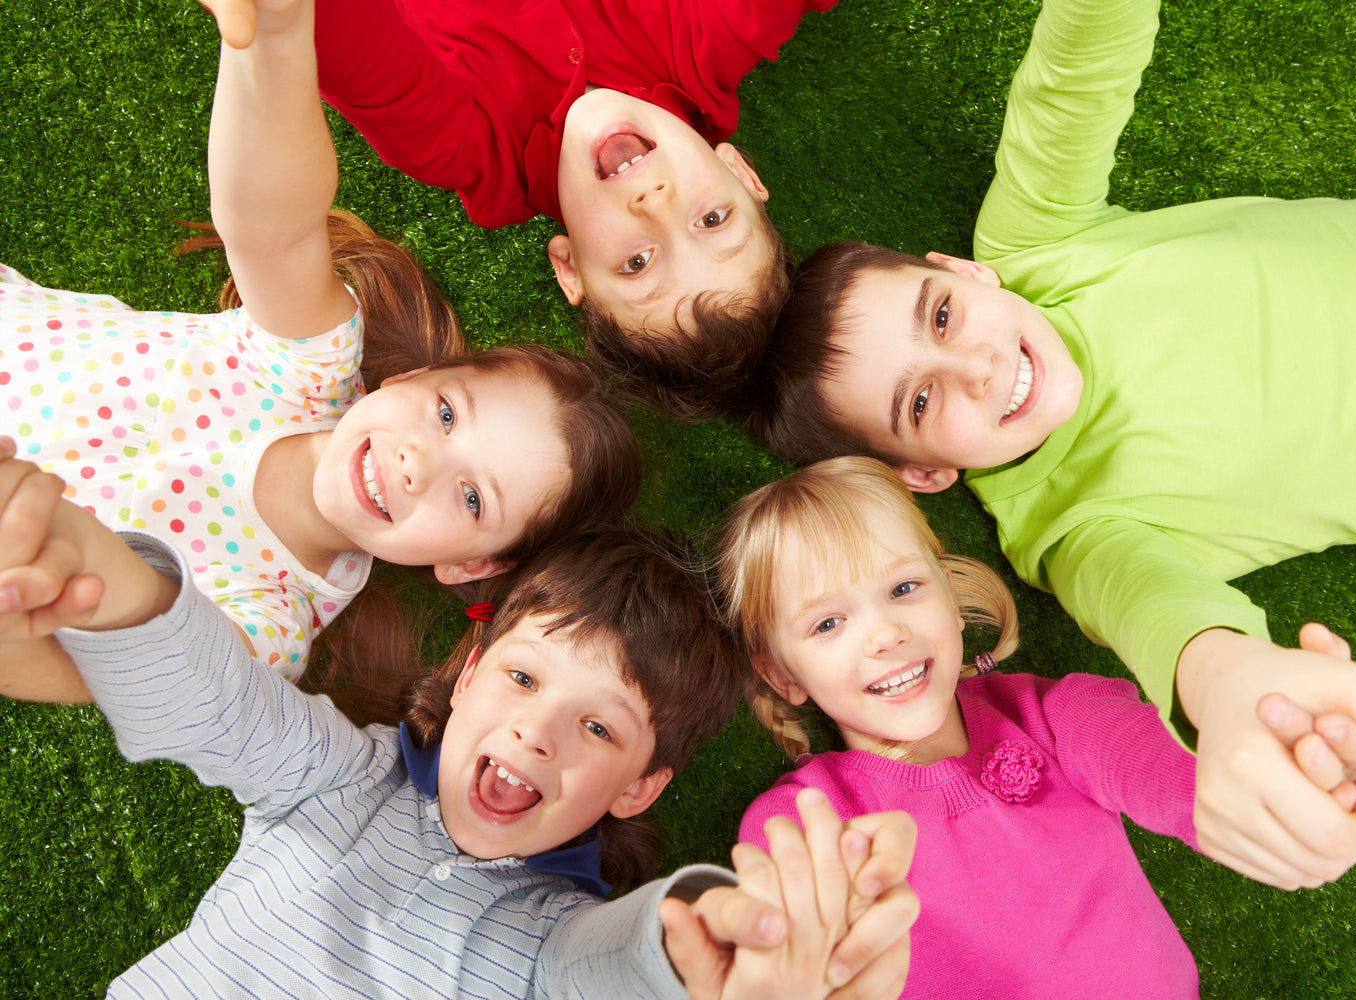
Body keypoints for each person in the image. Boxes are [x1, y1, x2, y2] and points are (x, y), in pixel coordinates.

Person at [744, 0, 1356, 887]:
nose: (978, 366)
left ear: (959, 271)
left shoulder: (1036, 242)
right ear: (926, 472)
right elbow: (1164, 617)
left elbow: (1079, 72)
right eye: (921, 399)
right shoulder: (1070, 530)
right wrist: (1229, 687)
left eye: (941, 315)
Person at [0, 444, 918, 1000]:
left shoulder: (555, 936)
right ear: (470, 673)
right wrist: (85, 560)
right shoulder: (339, 776)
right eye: (523, 677)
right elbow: (217, 700)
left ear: (639, 787)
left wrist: (700, 945)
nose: (537, 733)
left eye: (601, 730)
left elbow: (608, 972)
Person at [0, 0, 639, 701]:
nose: (417, 463)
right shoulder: (308, 368)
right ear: (419, 377)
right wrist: (273, 38)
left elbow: (138, 667)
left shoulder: (272, 621)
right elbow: (274, 229)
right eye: (448, 416)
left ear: (469, 565)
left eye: (471, 497)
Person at [715, 457, 1356, 998]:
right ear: (783, 676)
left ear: (949, 594)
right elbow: (794, 943)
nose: (886, 633)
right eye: (828, 624)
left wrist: (1282, 757)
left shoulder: (1047, 717)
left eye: (903, 589)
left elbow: (1179, 773)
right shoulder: (805, 818)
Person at [204, 0, 836, 421]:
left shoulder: (463, 145)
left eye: (639, 262)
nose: (656, 203)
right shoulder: (711, 39)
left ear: (570, 269)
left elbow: (326, 26)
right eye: (712, 221)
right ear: (740, 172)